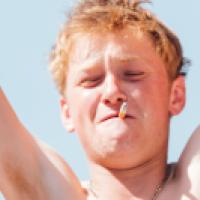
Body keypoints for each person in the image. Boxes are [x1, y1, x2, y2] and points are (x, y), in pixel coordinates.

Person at [0, 0, 199, 199]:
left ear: (176, 95)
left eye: (132, 74)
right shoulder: (49, 193)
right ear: (67, 112)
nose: (112, 92)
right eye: (91, 80)